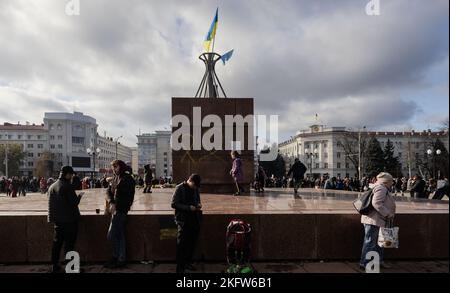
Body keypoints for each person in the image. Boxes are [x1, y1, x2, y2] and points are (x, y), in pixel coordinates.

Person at [47, 166, 83, 273]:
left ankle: (54, 265)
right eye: (71, 174)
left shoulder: (52, 186)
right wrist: (80, 196)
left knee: (57, 243)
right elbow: (74, 202)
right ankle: (71, 268)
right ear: (67, 174)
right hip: (70, 221)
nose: (72, 176)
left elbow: (51, 205)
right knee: (69, 244)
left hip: (58, 221)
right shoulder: (67, 186)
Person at [359, 172, 396, 271]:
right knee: (370, 242)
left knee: (380, 242)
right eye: (391, 181)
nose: (392, 183)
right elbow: (376, 203)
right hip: (374, 220)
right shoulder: (381, 188)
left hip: (378, 219)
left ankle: (378, 261)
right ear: (386, 181)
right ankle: (364, 263)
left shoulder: (379, 187)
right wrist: (387, 213)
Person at [104, 160, 136, 269]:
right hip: (115, 210)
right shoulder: (116, 177)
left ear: (121, 167)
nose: (114, 169)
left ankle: (117, 256)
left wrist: (114, 204)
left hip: (121, 210)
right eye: (113, 167)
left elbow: (125, 197)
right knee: (120, 235)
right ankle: (120, 259)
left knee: (111, 235)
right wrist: (111, 202)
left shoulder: (127, 179)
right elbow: (108, 191)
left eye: (116, 166)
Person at [171, 174, 202, 273]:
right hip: (183, 221)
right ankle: (180, 267)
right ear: (190, 181)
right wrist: (188, 208)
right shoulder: (179, 188)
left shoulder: (195, 189)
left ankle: (188, 263)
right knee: (182, 244)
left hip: (194, 219)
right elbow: (174, 204)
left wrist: (198, 204)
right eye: (194, 185)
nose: (195, 188)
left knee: (192, 243)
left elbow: (197, 199)